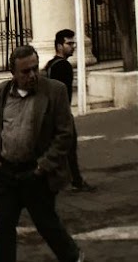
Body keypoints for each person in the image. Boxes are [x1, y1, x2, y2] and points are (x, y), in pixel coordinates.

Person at [0, 45, 82, 262]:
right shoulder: (1, 93)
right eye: (25, 71)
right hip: (7, 172)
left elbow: (65, 135)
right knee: (3, 228)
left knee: (48, 225)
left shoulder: (54, 91)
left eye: (35, 68)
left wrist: (43, 166)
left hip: (36, 173)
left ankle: (74, 258)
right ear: (13, 72)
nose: (32, 75)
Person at [44, 29, 93, 192]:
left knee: (60, 148)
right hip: (61, 114)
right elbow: (62, 93)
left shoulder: (50, 64)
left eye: (73, 43)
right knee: (69, 148)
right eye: (69, 44)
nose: (73, 47)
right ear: (59, 45)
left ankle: (67, 179)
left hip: (52, 113)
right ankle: (75, 181)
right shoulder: (63, 66)